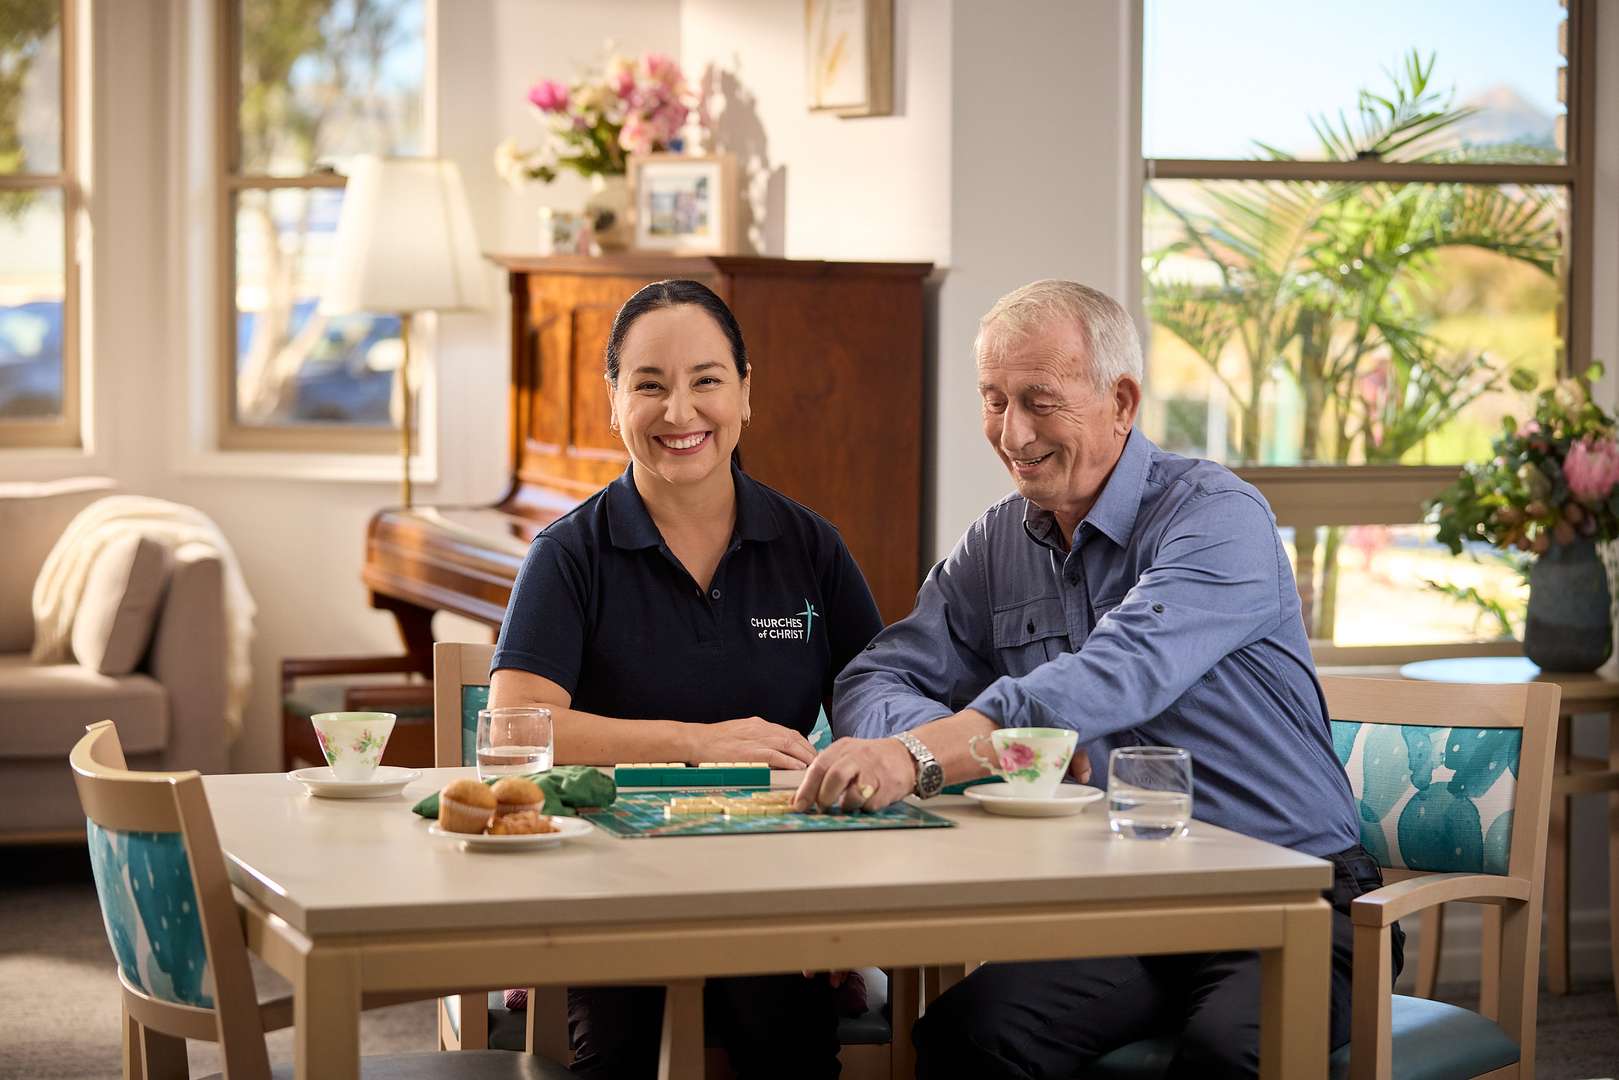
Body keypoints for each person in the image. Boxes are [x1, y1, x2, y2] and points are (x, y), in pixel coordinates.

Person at [792, 279, 1402, 1079]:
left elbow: (1111, 676)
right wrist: (955, 741)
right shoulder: (996, 544)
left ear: (1120, 401)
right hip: (1129, 907)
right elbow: (877, 674)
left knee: (1225, 1055)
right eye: (993, 400)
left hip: (1295, 899)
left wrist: (924, 756)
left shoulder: (1216, 516)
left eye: (1039, 401)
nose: (1012, 433)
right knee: (967, 1037)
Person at [492, 278, 882, 1079]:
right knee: (616, 1053)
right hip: (607, 886)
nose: (680, 413)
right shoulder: (569, 554)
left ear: (744, 392)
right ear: (612, 402)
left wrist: (841, 890)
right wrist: (699, 745)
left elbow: (877, 703)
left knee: (787, 1044)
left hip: (769, 877)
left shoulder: (811, 547)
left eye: (706, 380)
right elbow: (514, 726)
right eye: (649, 385)